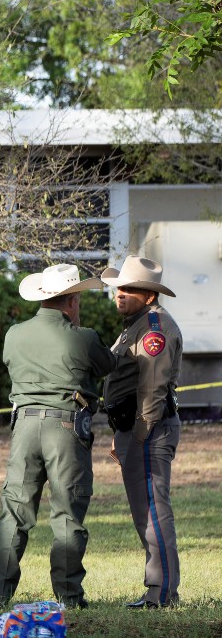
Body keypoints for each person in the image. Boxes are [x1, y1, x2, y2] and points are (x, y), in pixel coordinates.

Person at [0, 264, 116, 610]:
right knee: (67, 513)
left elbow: (10, 363)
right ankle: (69, 596)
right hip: (66, 427)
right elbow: (109, 366)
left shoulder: (14, 334)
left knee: (14, 510)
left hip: (24, 426)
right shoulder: (82, 337)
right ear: (71, 300)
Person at [100, 256, 183, 609]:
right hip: (133, 429)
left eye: (130, 288)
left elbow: (152, 390)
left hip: (147, 430)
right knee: (144, 512)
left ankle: (161, 594)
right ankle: (159, 590)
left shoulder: (152, 328)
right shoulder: (133, 323)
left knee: (152, 510)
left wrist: (136, 437)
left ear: (149, 295)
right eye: (119, 286)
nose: (120, 293)